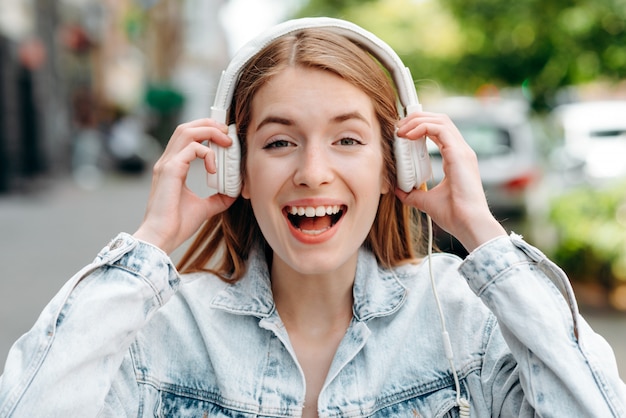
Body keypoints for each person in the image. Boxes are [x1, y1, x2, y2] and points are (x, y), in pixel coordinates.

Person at [0, 17, 624, 418]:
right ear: (234, 171)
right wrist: (151, 242)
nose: (312, 172)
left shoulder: (467, 322)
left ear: (396, 167)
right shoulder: (163, 334)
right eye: (278, 142)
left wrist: (481, 234)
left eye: (348, 140)